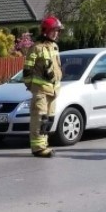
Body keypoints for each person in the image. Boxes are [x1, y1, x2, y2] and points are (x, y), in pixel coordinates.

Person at [23, 16, 63, 158]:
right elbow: (27, 70)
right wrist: (31, 85)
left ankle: (44, 144)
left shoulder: (54, 47)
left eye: (58, 31)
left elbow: (57, 67)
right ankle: (38, 148)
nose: (56, 33)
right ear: (46, 31)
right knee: (39, 118)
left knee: (49, 119)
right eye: (54, 31)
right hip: (40, 91)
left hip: (53, 90)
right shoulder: (36, 48)